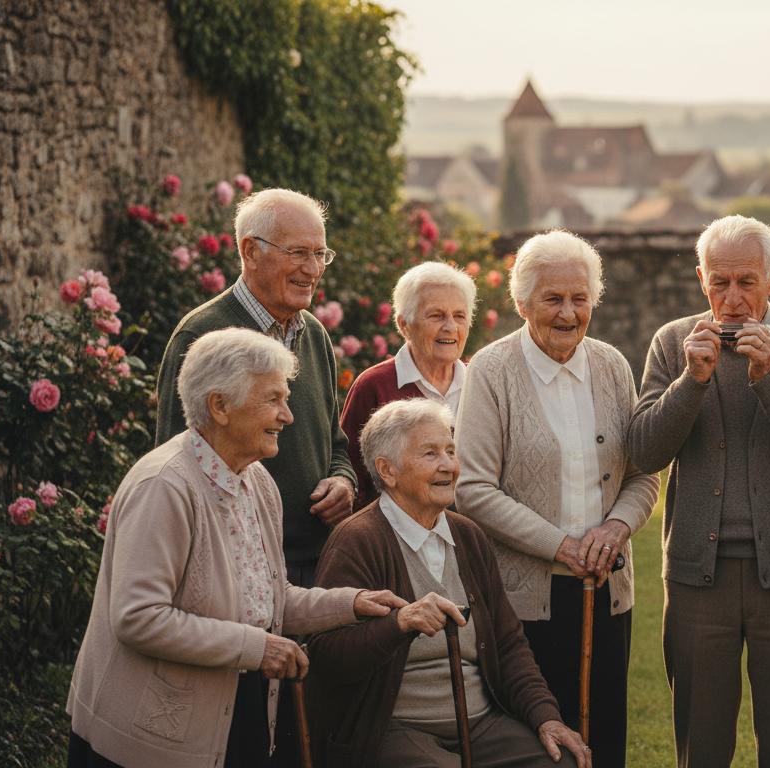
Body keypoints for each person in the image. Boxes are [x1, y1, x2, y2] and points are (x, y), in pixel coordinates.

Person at [67, 329, 405, 768]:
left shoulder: (257, 480)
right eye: (273, 400)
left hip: (233, 716)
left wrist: (353, 604)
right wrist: (258, 648)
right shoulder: (164, 486)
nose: (288, 416)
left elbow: (267, 599)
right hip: (148, 736)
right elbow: (138, 617)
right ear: (219, 406)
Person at [628, 215, 770, 767]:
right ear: (701, 279)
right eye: (719, 283)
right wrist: (691, 381)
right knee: (700, 748)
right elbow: (646, 452)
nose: (732, 299)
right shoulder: (674, 341)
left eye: (746, 282)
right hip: (699, 578)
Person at [455, 230, 660, 767]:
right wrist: (561, 546)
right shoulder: (492, 371)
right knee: (535, 744)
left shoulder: (613, 365)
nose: (568, 312)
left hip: (607, 592)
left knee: (604, 738)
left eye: (580, 298)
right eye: (552, 299)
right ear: (522, 302)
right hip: (525, 602)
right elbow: (472, 487)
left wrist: (615, 530)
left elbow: (643, 476)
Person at [307, 399, 591, 767]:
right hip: (395, 727)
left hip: (480, 723)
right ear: (387, 470)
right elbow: (328, 655)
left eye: (451, 451)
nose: (449, 466)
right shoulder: (358, 540)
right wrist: (398, 624)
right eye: (430, 453)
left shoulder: (468, 535)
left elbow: (507, 643)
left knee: (562, 761)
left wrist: (545, 716)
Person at [156, 187, 357, 588]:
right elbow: (174, 463)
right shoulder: (202, 336)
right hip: (236, 570)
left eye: (320, 254)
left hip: (318, 566)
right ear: (250, 251)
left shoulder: (314, 334)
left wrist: (343, 482)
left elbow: (335, 445)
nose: (314, 268)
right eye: (299, 252)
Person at [342, 261, 477, 508]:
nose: (450, 327)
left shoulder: (480, 383)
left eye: (459, 316)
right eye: (436, 315)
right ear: (404, 325)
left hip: (472, 537)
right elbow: (352, 479)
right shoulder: (374, 385)